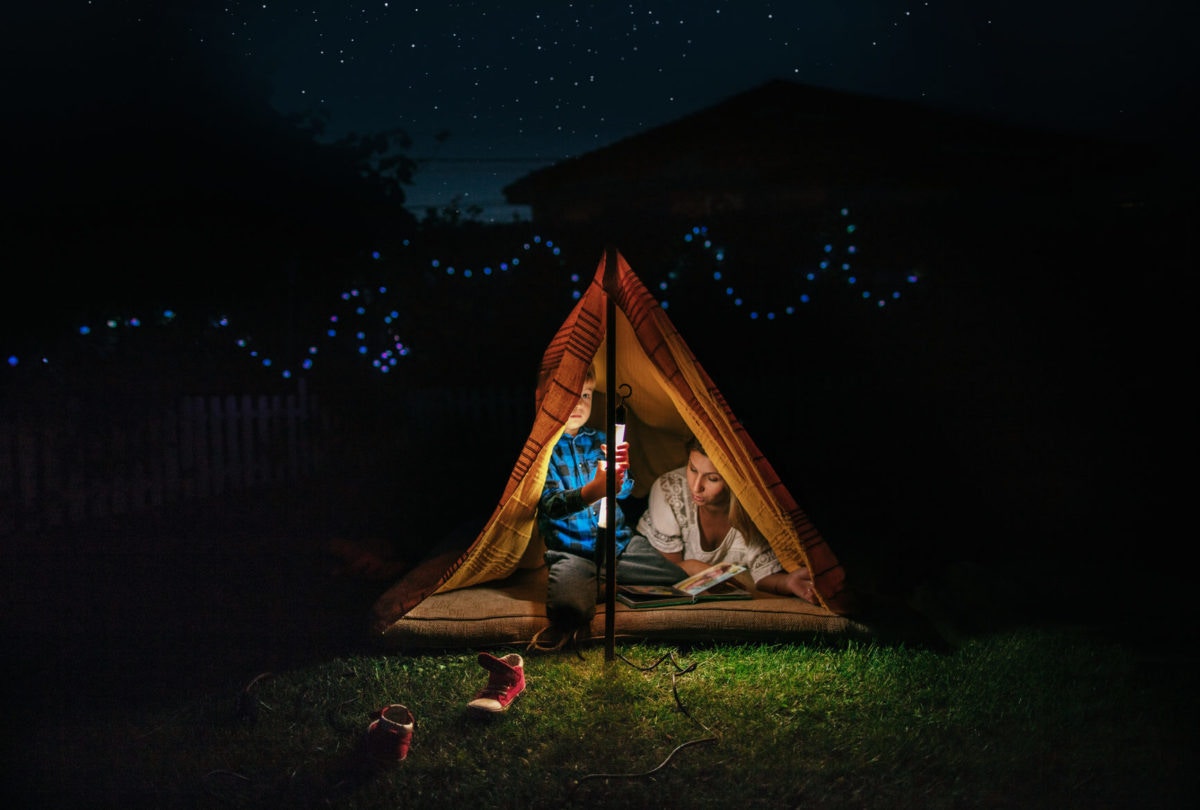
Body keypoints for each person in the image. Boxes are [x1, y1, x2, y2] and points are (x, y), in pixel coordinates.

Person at [536, 365, 688, 641]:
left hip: (618, 546)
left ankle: (604, 581)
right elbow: (551, 506)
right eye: (570, 395)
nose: (578, 404)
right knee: (568, 611)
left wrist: (621, 478)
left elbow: (625, 492)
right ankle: (596, 581)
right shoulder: (545, 450)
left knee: (674, 578)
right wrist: (592, 491)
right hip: (572, 552)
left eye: (585, 395)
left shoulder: (602, 440)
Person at [637, 437, 818, 603]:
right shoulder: (670, 490)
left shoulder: (751, 508)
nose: (696, 486)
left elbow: (764, 574)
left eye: (712, 478)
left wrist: (787, 581)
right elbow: (670, 572)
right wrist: (694, 567)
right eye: (692, 469)